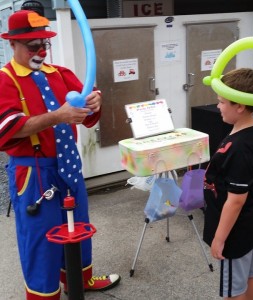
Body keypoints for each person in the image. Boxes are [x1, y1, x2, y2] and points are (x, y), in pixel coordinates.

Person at [0, 10, 121, 300]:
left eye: (45, 44)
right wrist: (57, 116)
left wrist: (95, 102)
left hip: (69, 166)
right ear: (13, 44)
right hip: (34, 173)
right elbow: (5, 130)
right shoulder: (6, 80)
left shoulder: (60, 74)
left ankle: (82, 281)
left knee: (78, 226)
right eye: (33, 46)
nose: (41, 51)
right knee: (41, 241)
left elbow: (88, 118)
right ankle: (43, 296)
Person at [203, 68, 253, 300]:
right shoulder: (250, 129)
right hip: (247, 224)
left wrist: (220, 238)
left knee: (233, 290)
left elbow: (236, 199)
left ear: (239, 105)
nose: (218, 106)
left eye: (221, 102)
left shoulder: (241, 147)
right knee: (250, 275)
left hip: (234, 230)